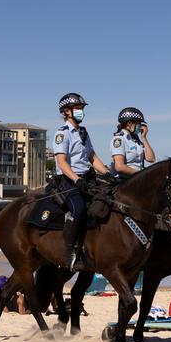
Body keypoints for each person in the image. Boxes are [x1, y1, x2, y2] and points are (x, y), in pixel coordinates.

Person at [52, 92, 111, 271]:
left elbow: (92, 157)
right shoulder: (62, 134)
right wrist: (77, 180)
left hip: (87, 179)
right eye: (77, 108)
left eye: (81, 109)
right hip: (68, 181)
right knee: (78, 209)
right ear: (67, 112)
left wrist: (107, 174)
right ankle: (70, 254)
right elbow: (61, 162)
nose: (80, 112)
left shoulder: (83, 132)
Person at [109, 107, 156, 180]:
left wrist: (144, 137)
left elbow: (151, 159)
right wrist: (141, 174)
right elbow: (119, 167)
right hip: (124, 181)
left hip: (136, 179)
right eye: (138, 123)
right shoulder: (119, 140)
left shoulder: (136, 140)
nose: (140, 126)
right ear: (129, 123)